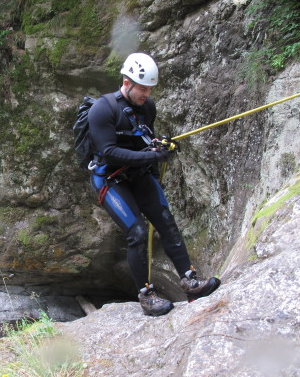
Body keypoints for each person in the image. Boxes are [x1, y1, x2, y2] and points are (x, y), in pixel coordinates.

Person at [86, 52, 221, 316]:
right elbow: (109, 152)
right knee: (137, 232)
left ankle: (190, 281)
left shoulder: (148, 107)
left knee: (166, 221)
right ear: (127, 83)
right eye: (143, 89)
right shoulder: (102, 109)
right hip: (110, 180)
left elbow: (143, 139)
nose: (146, 94)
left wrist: (159, 146)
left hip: (139, 174)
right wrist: (152, 156)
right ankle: (147, 297)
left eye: (149, 89)